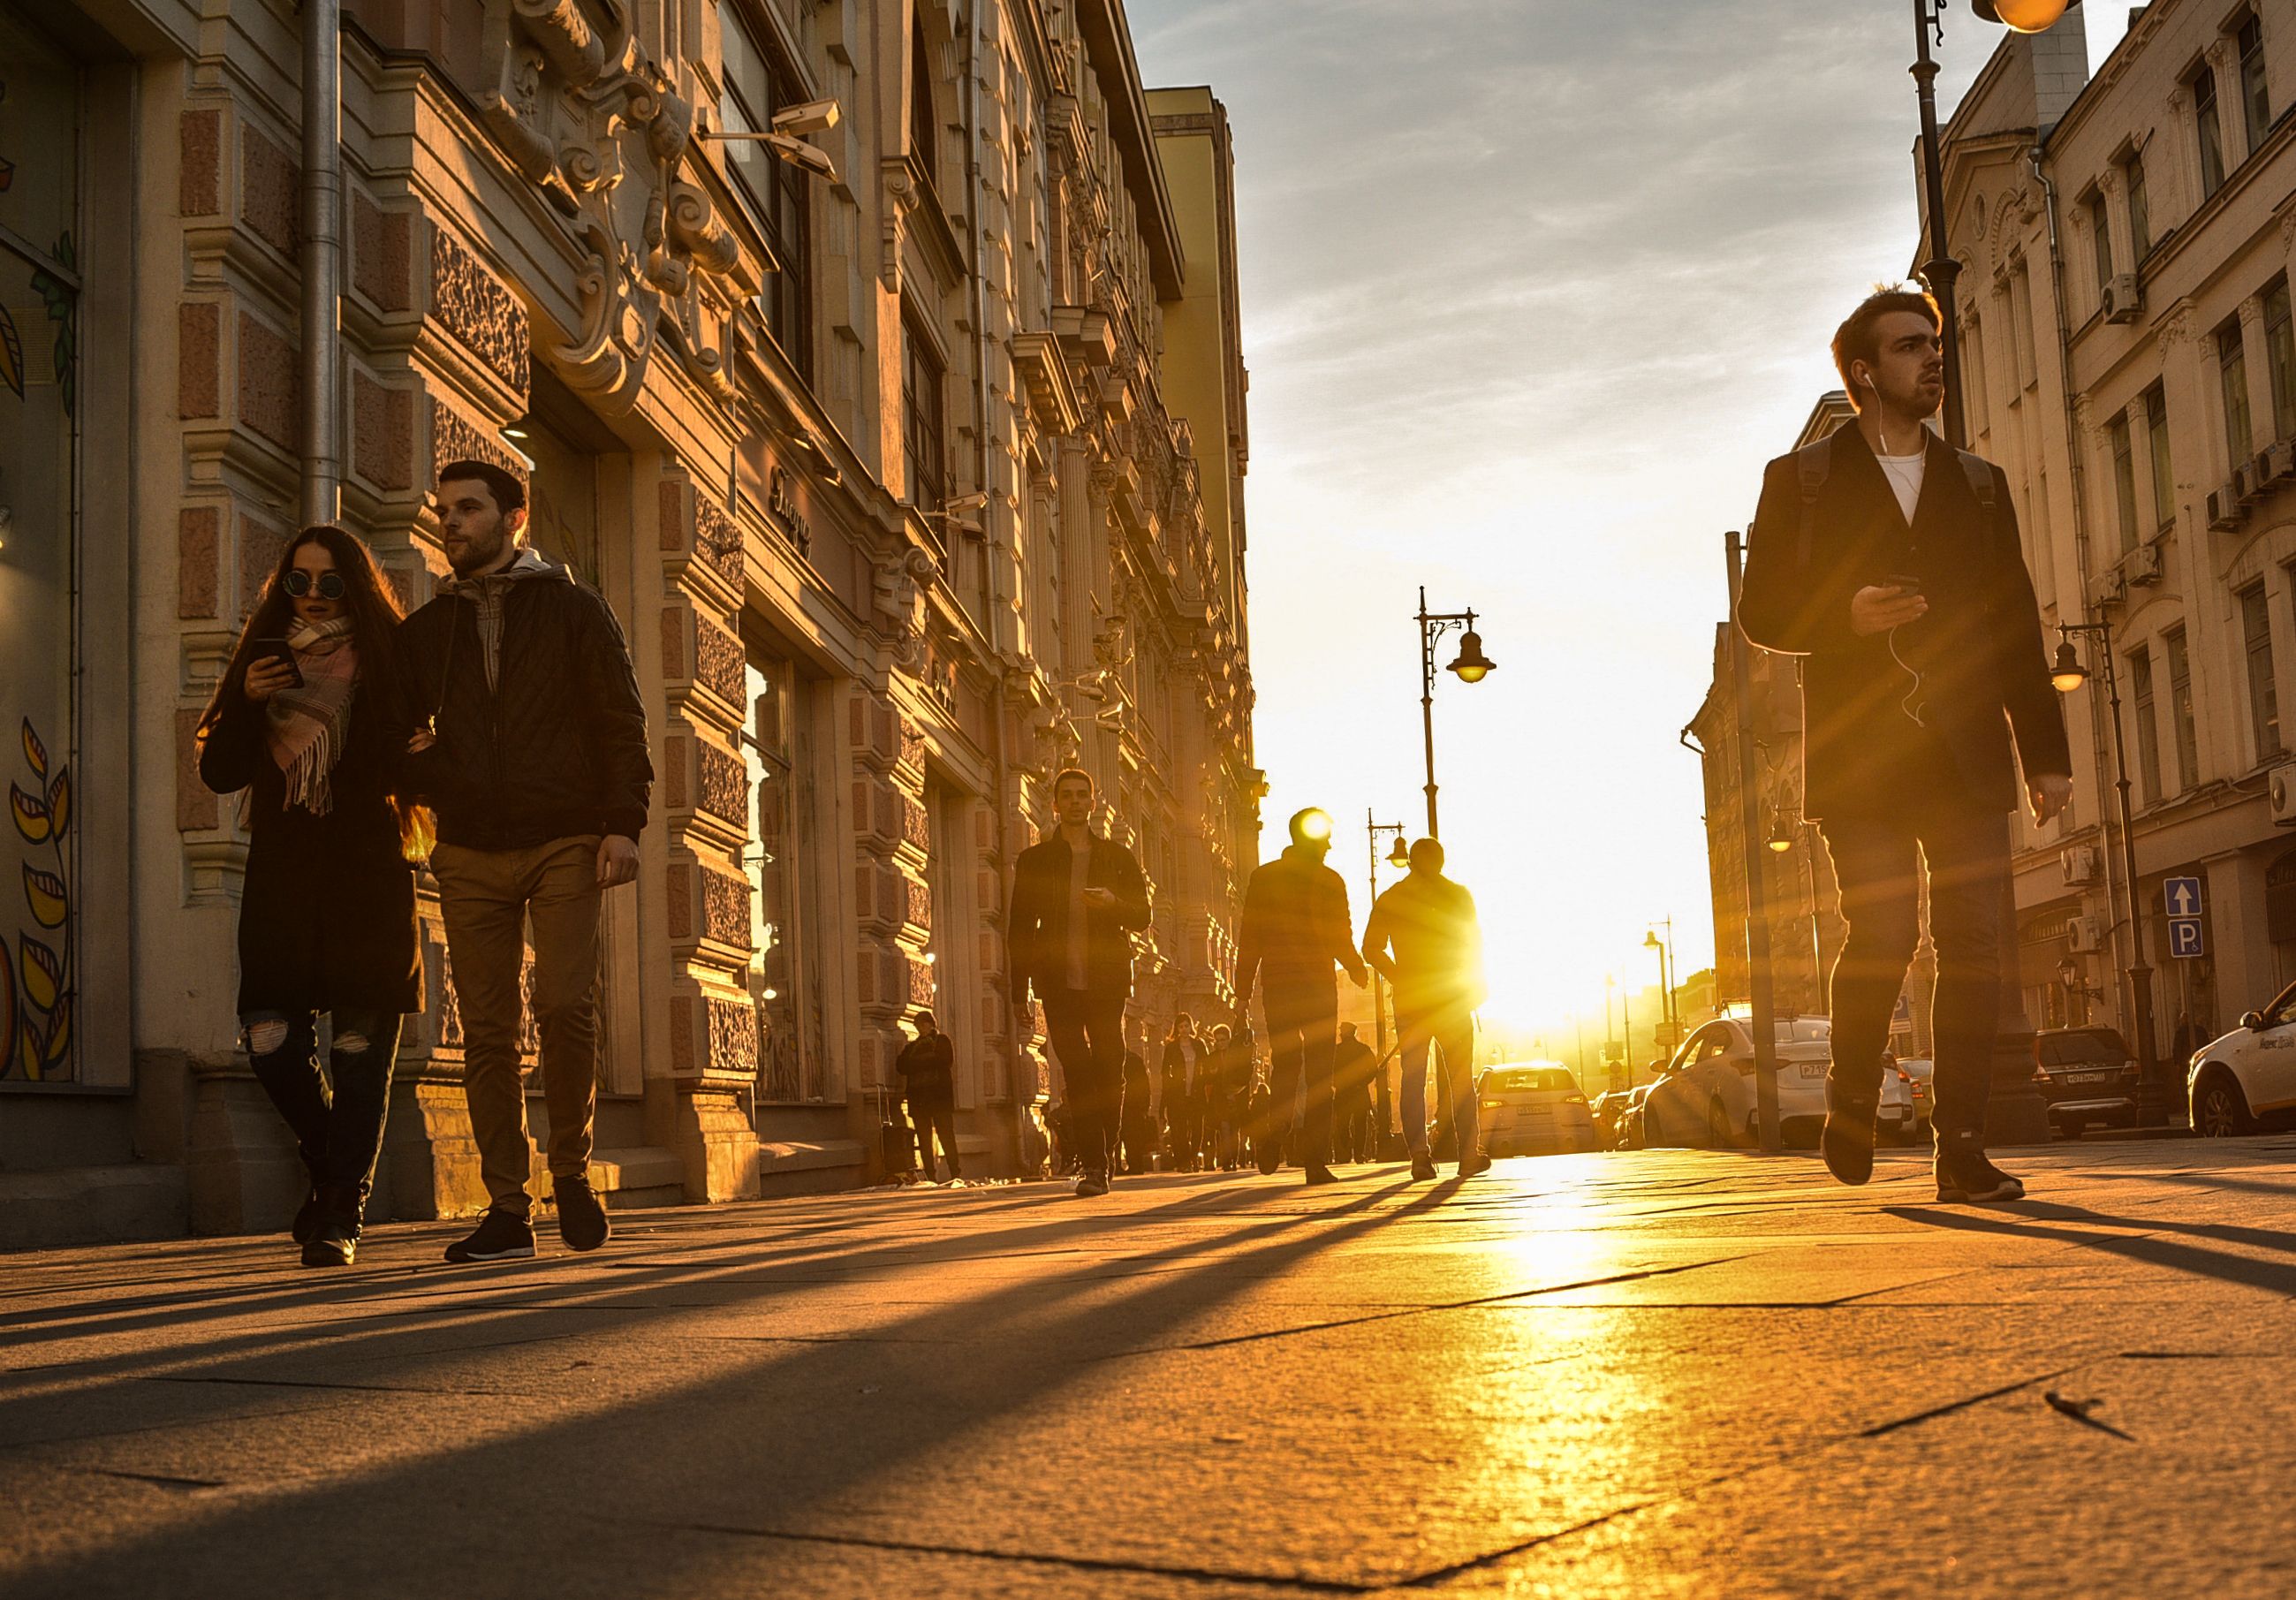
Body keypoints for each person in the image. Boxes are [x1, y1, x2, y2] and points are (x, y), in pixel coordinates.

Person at [1740, 286, 2071, 1206]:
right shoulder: (1799, 479)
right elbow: (1760, 612)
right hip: (1865, 757)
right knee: (1882, 931)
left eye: (1933, 343)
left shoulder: (1977, 482)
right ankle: (1852, 1090)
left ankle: (1958, 1147)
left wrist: (2044, 751)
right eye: (1908, 347)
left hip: (1965, 749)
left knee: (1970, 945)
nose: (1932, 359)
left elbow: (2012, 623)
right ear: (1862, 371)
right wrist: (1838, 616)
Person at [399, 460, 654, 1261]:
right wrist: (442, 776)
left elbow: (620, 721)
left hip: (563, 838)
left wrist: (622, 824)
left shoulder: (575, 610)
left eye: (468, 509)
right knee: (485, 1031)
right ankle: (508, 1207)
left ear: (514, 517)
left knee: (565, 1005)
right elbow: (390, 736)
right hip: (469, 846)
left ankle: (572, 1171)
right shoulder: (428, 630)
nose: (452, 523)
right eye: (444, 511)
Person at [197, 527, 425, 1267]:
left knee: (361, 1051)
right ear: (283, 587)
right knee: (269, 1038)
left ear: (354, 586)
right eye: (300, 582)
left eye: (331, 582)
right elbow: (222, 774)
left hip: (366, 875)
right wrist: (245, 701)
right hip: (284, 878)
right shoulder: (264, 657)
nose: (317, 595)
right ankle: (331, 1168)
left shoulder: (390, 658)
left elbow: (411, 767)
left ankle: (341, 1214)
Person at [1007, 767, 1153, 1197]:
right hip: (1056, 983)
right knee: (1077, 1070)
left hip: (1106, 980)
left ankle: (1104, 1146)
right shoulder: (1035, 860)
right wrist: (1021, 992)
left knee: (1111, 1066)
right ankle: (1095, 1164)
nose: (1074, 801)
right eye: (1066, 795)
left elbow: (1143, 916)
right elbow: (1019, 930)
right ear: (1055, 804)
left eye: (1081, 795)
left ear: (1093, 802)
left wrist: (1112, 903)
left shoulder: (1117, 857)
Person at [1235, 809, 1369, 1187]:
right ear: (1313, 840)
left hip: (1278, 988)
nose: (1330, 844)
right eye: (1326, 838)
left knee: (1285, 1067)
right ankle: (1314, 1163)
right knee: (1321, 1077)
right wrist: (1357, 969)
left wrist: (1242, 991)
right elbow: (1339, 935)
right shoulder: (1330, 880)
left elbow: (1250, 937)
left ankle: (1272, 1137)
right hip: (1317, 989)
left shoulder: (1264, 877)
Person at [1362, 838, 1489, 1181]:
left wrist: (1399, 976)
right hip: (1452, 997)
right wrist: (1477, 984)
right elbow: (1473, 943)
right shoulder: (1459, 895)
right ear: (1442, 862)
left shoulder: (1392, 897)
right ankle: (1468, 1155)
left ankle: (1419, 1154)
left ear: (1413, 863)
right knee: (1462, 1077)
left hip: (1413, 999)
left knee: (1413, 1078)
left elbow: (1370, 948)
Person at [896, 1009, 959, 1183]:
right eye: (918, 1025)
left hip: (939, 1098)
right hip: (919, 1100)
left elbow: (944, 1060)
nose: (921, 1028)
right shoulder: (912, 1047)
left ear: (931, 1024)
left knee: (946, 1137)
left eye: (924, 1024)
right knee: (924, 1139)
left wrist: (919, 1063)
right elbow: (901, 1066)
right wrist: (927, 1060)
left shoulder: (942, 1041)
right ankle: (930, 1176)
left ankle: (955, 1173)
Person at [1162, 1014, 1203, 1171]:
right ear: (1177, 1029)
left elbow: (1205, 1066)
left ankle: (1194, 1157)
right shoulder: (1171, 1048)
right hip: (1178, 1095)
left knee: (1197, 1128)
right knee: (1180, 1130)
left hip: (1196, 1093)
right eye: (1181, 1027)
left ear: (1191, 1027)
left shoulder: (1199, 1045)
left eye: (1186, 1026)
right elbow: (1165, 1071)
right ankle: (1185, 1162)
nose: (1184, 1029)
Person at [1332, 1022, 1377, 1164]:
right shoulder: (1364, 1050)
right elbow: (1373, 1069)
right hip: (1359, 1092)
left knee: (1342, 1124)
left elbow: (1330, 1071)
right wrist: (1362, 1083)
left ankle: (1346, 1147)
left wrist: (1337, 1083)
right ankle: (1359, 1154)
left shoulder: (1336, 1051)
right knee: (1360, 1125)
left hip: (1343, 1092)